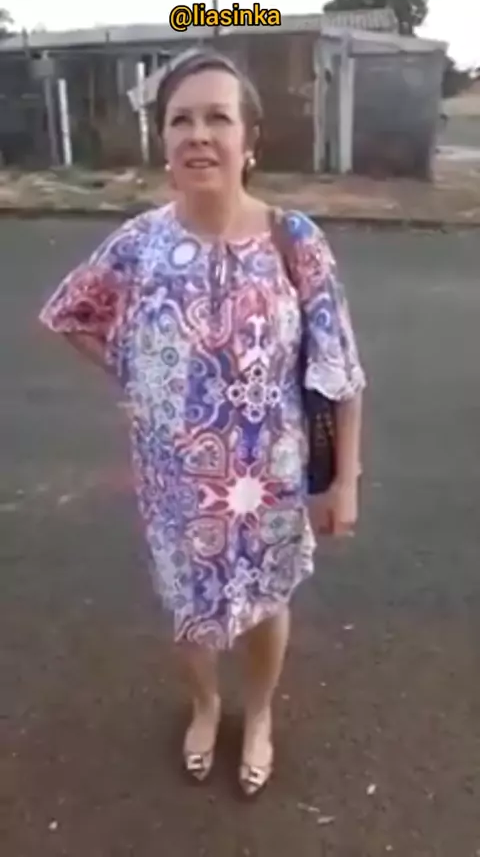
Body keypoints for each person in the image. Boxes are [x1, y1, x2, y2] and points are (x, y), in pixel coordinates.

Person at [38, 48, 366, 797]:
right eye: (180, 119)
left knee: (267, 602)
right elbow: (70, 314)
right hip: (176, 482)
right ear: (164, 141)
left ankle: (258, 714)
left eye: (218, 117)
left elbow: (341, 370)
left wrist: (344, 481)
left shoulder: (294, 240)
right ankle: (206, 706)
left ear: (250, 140)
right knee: (189, 608)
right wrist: (135, 373)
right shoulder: (140, 244)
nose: (198, 134)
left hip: (270, 479)